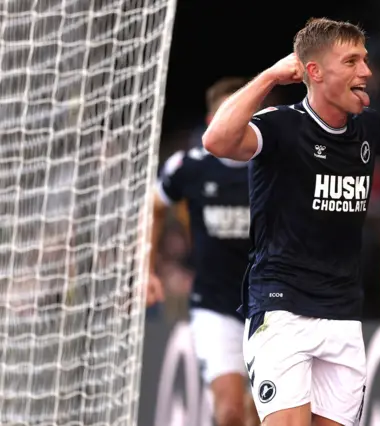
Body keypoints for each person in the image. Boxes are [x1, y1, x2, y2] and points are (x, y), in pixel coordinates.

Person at [203, 18, 380, 426]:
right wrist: (271, 75)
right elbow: (217, 140)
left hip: (343, 313)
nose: (366, 72)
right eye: (352, 62)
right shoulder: (281, 125)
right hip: (282, 309)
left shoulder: (364, 129)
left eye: (364, 60)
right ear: (314, 72)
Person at [147, 76, 259, 426]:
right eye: (231, 113)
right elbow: (155, 206)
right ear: (214, 123)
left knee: (264, 414)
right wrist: (146, 270)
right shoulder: (190, 167)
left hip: (272, 304)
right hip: (214, 303)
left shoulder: (276, 165)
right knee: (229, 413)